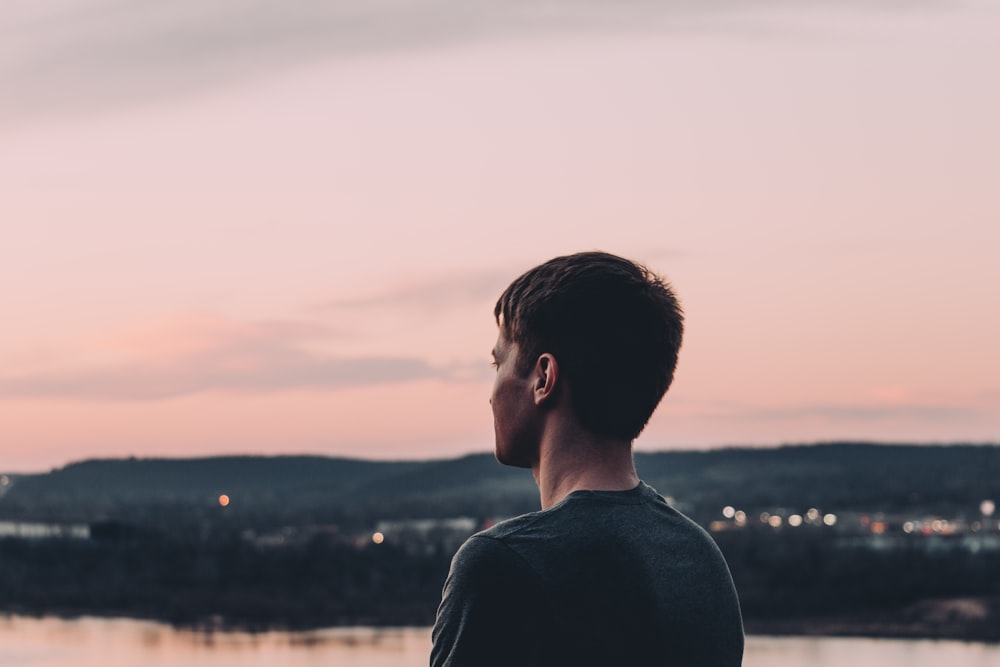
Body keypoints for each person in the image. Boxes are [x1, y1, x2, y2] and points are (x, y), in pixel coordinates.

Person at [430, 251, 744, 667]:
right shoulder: (700, 559)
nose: (491, 392)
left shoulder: (503, 564)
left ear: (543, 378)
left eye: (498, 361)